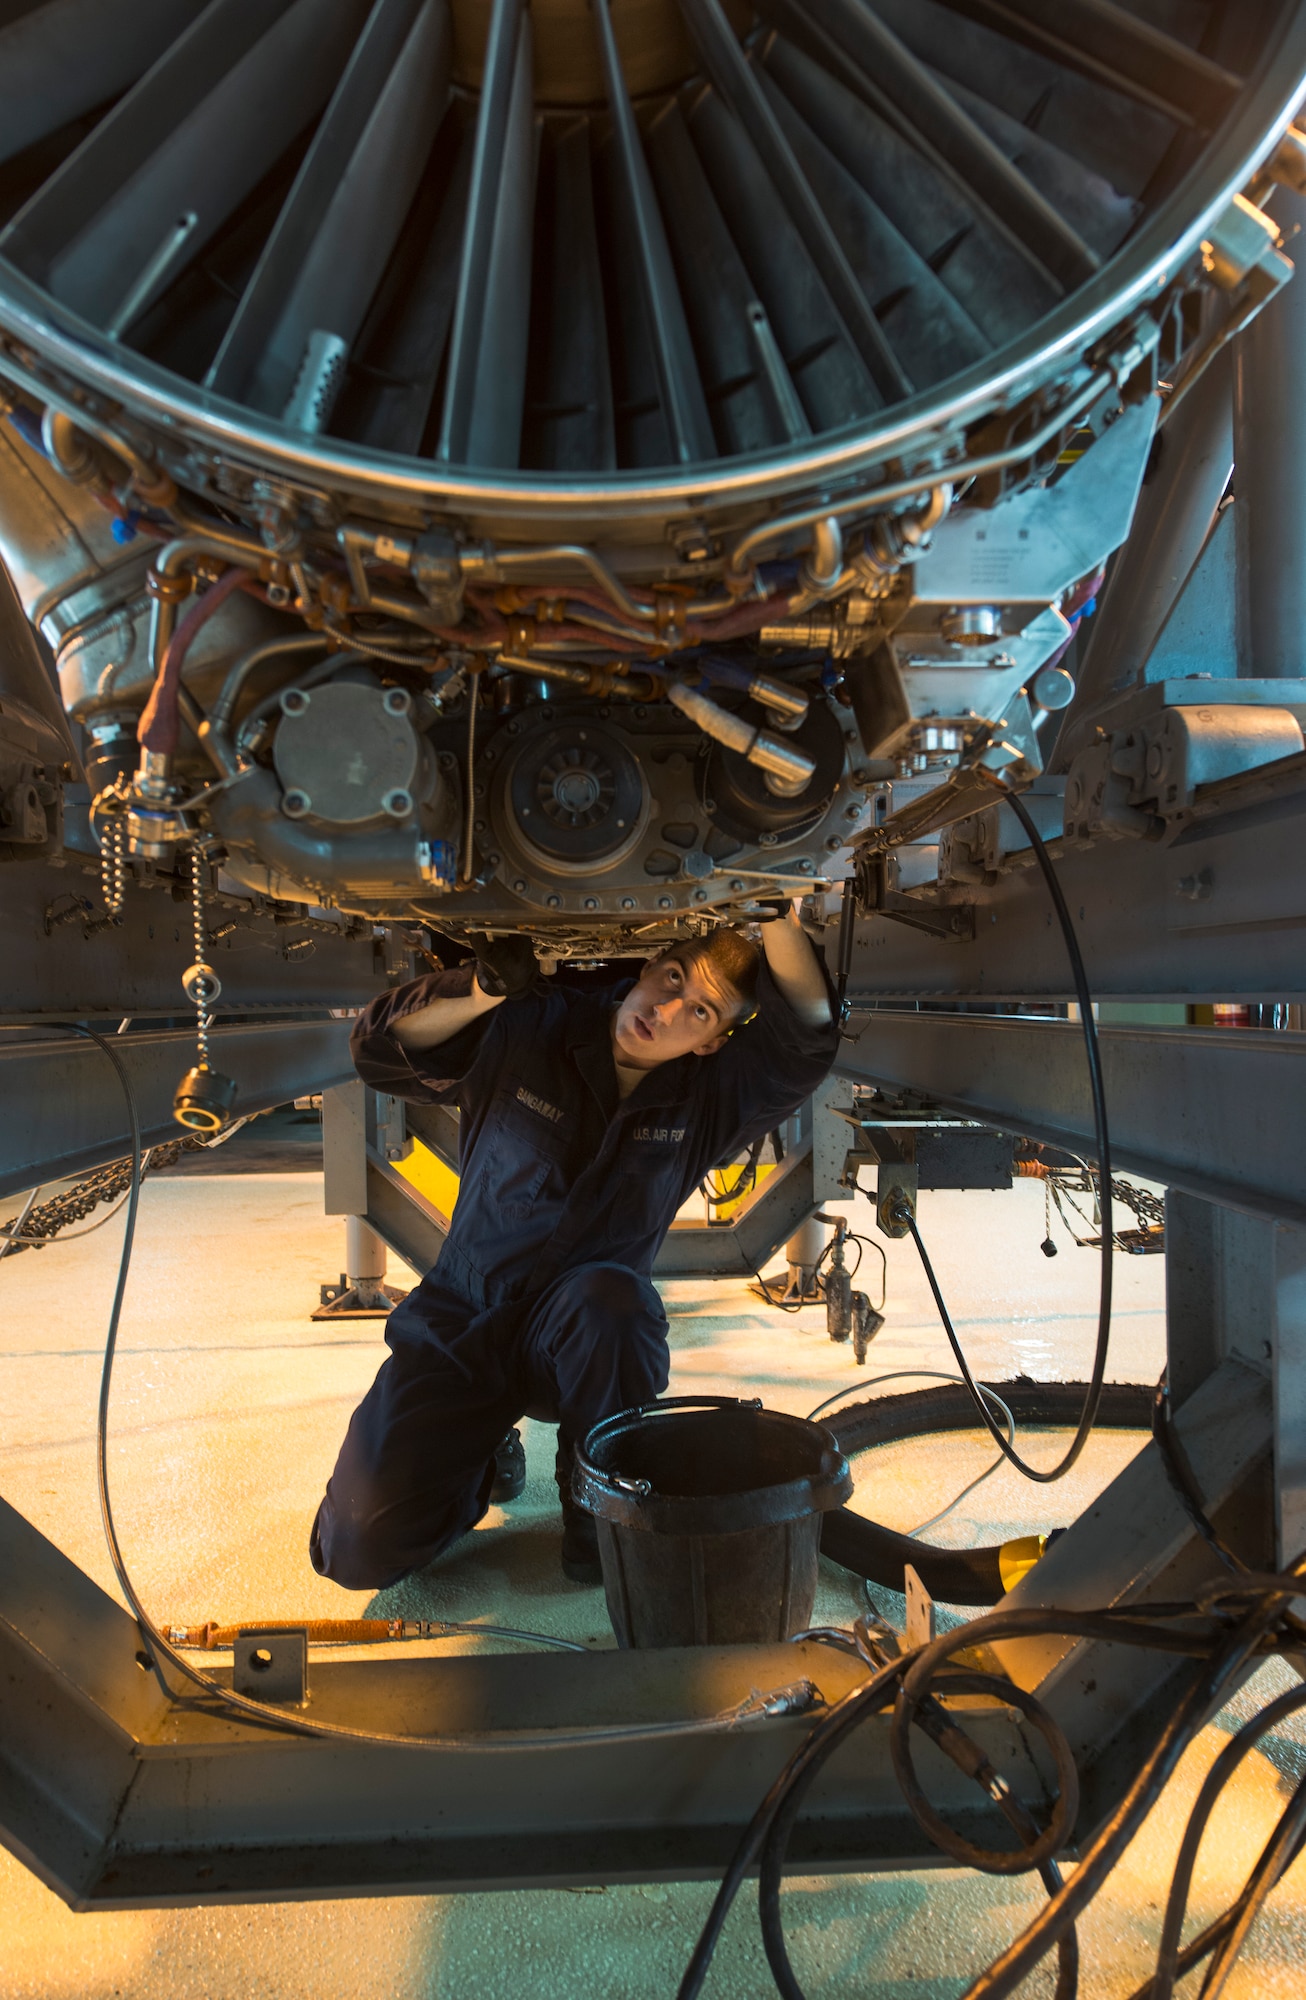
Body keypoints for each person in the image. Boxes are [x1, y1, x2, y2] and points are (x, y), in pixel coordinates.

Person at [310, 904, 840, 1588]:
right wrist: (483, 989)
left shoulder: (709, 1099)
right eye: (673, 977)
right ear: (650, 964)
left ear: (713, 1042)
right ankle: (471, 1461)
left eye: (701, 1012)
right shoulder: (537, 1023)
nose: (669, 1008)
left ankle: (601, 1525)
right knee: (358, 1551)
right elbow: (380, 1050)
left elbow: (808, 1038)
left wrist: (779, 914)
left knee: (613, 1302)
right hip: (462, 1322)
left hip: (581, 1335)